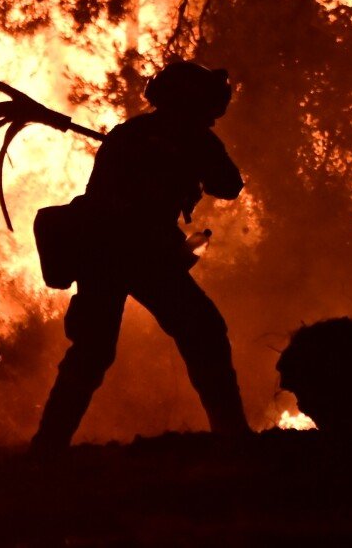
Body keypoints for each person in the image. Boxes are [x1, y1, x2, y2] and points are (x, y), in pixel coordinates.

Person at [31, 60, 251, 452]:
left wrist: (183, 163)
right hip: (129, 252)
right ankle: (231, 433)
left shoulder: (140, 135)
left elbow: (226, 185)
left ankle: (48, 445)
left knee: (98, 349)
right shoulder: (178, 139)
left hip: (116, 253)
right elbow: (227, 185)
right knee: (199, 331)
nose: (211, 117)